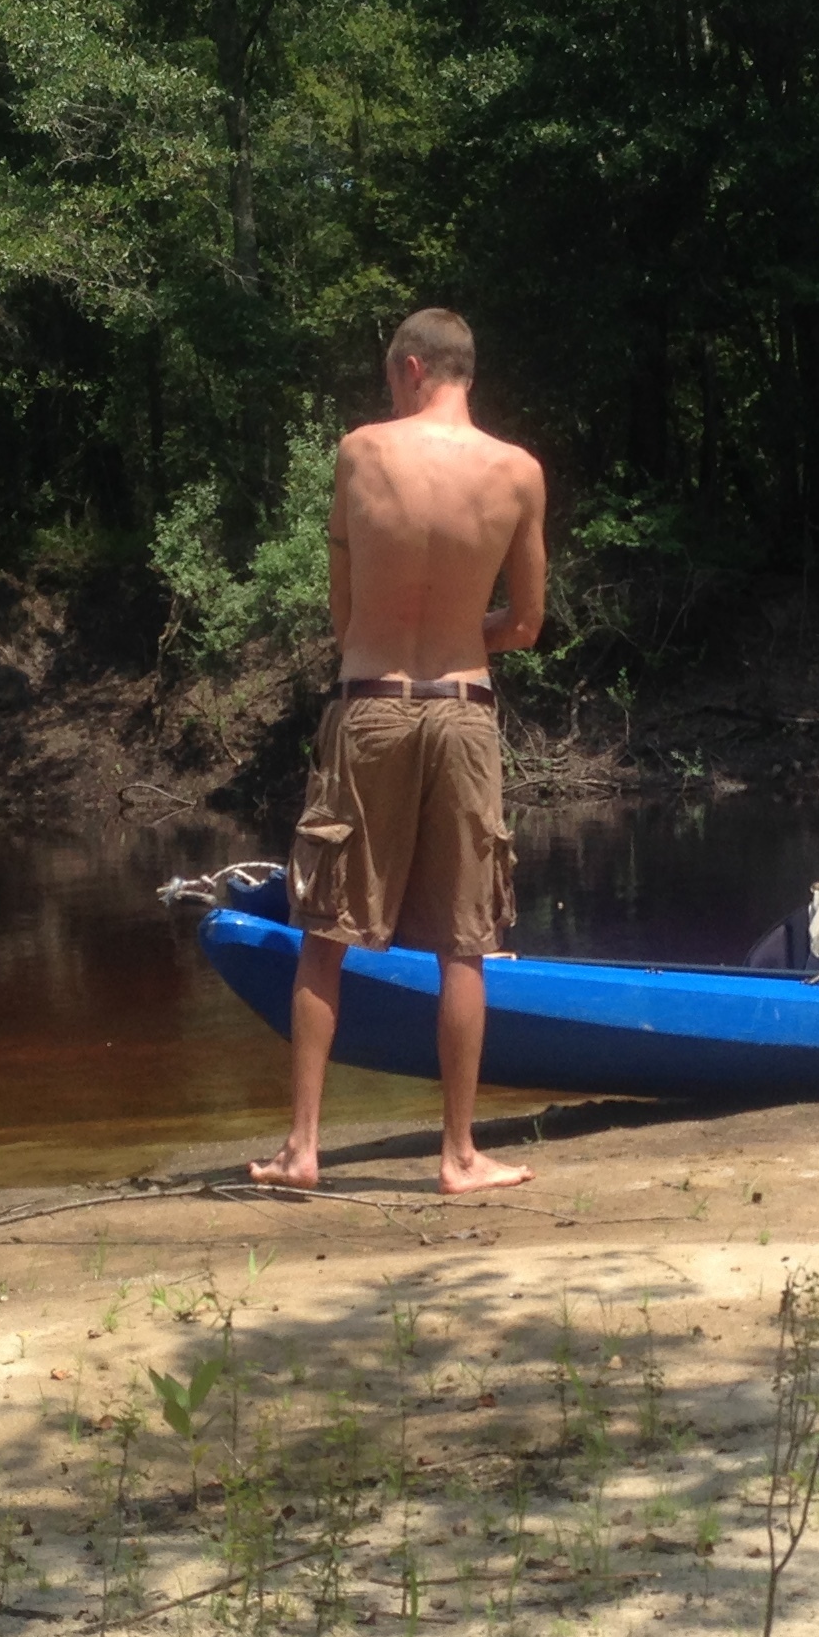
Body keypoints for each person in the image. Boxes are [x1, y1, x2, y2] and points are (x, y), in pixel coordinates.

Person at [246, 308, 547, 1194]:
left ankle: (303, 1151)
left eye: (391, 376)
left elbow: (346, 614)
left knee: (324, 932)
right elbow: (525, 624)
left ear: (411, 369)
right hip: (464, 711)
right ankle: (458, 1157)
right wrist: (461, 631)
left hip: (370, 704)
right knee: (464, 942)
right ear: (465, 373)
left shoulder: (361, 452)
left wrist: (390, 638)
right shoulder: (517, 472)